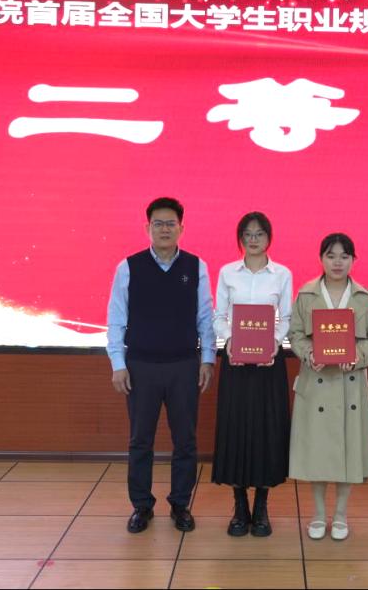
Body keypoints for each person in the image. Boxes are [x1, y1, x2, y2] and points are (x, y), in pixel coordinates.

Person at [106, 196, 216, 534]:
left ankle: (180, 505)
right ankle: (142, 506)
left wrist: (208, 359)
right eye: (158, 224)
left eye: (171, 224)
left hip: (184, 365)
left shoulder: (196, 266)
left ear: (181, 228)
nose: (164, 229)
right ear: (147, 228)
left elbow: (205, 316)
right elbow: (116, 318)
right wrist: (118, 363)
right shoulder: (129, 267)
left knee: (185, 440)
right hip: (141, 366)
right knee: (140, 440)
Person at [288, 233, 368, 542]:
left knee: (347, 450)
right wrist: (309, 354)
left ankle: (340, 514)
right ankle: (318, 514)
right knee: (317, 451)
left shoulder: (365, 297)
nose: (337, 262)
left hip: (349, 384)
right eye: (331, 256)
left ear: (353, 260)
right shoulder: (306, 294)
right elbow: (296, 334)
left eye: (344, 256)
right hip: (316, 382)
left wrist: (356, 357)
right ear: (321, 259)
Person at [211, 211, 293, 537]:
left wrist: (274, 342)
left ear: (269, 238)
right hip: (236, 362)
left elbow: (287, 318)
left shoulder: (282, 274)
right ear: (240, 239)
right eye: (248, 234)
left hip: (269, 364)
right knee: (235, 430)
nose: (254, 239)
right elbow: (218, 316)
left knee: (265, 431)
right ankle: (239, 506)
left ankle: (261, 506)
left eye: (259, 234)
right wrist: (229, 339)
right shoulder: (227, 272)